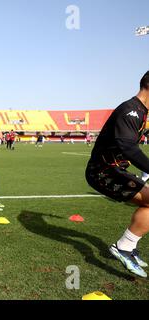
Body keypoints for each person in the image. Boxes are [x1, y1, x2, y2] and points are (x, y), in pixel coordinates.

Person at [85, 71, 149, 278]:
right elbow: (128, 147)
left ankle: (128, 246)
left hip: (113, 170)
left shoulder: (141, 112)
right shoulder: (130, 110)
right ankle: (124, 247)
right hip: (102, 171)